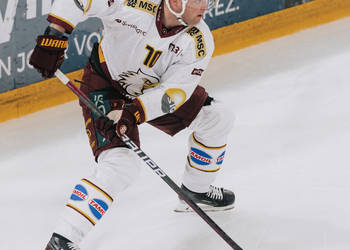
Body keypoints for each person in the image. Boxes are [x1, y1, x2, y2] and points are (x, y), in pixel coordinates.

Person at [29, 0, 235, 249]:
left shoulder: (200, 40)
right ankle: (62, 240)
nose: (205, 7)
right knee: (120, 165)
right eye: (198, 0)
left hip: (150, 94)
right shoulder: (133, 2)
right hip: (106, 86)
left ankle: (195, 191)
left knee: (217, 116)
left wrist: (133, 114)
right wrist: (55, 35)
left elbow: (175, 93)